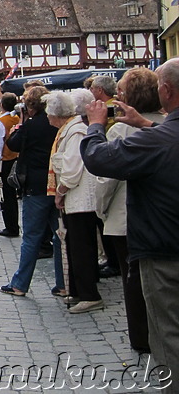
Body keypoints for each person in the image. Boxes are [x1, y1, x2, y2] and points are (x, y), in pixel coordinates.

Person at [81, 58, 179, 377]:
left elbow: (99, 160)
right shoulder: (161, 133)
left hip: (163, 249)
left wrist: (95, 125)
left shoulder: (154, 140)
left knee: (168, 335)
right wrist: (146, 124)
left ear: (165, 91)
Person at [93, 68, 161, 353]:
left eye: (120, 92)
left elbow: (106, 177)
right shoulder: (167, 123)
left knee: (133, 280)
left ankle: (142, 338)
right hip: (162, 218)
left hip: (126, 219)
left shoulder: (122, 130)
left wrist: (101, 209)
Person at [0, 86, 64, 297]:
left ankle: (20, 283)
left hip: (35, 186)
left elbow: (13, 144)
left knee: (31, 237)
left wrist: (20, 123)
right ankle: (63, 283)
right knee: (60, 236)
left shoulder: (30, 125)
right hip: (57, 185)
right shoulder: (58, 123)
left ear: (28, 106)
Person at [44, 91, 102, 314]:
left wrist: (60, 190)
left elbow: (72, 168)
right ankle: (78, 290)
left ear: (55, 114)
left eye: (48, 113)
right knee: (74, 247)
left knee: (81, 247)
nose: (47, 117)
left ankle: (89, 294)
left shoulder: (75, 131)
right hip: (75, 200)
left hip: (80, 200)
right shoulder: (68, 130)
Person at [0, 93, 21, 237]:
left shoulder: (0, 122)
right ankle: (14, 224)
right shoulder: (17, 118)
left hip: (5, 160)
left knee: (5, 195)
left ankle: (11, 226)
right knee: (14, 195)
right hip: (17, 159)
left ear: (2, 105)